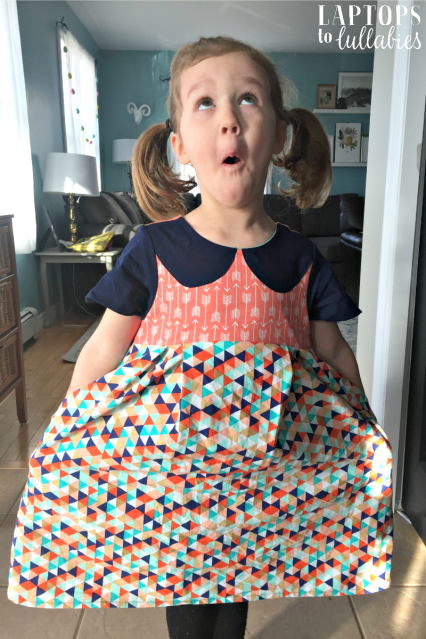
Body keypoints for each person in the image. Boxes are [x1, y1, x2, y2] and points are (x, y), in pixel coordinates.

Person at [8, 36, 393, 639]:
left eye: (248, 99)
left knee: (238, 580)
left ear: (279, 135)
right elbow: (104, 349)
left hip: (261, 477)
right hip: (174, 480)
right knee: (187, 590)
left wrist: (362, 430)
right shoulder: (152, 247)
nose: (229, 118)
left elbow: (333, 351)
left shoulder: (300, 257)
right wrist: (66, 428)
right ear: (180, 144)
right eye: (205, 102)